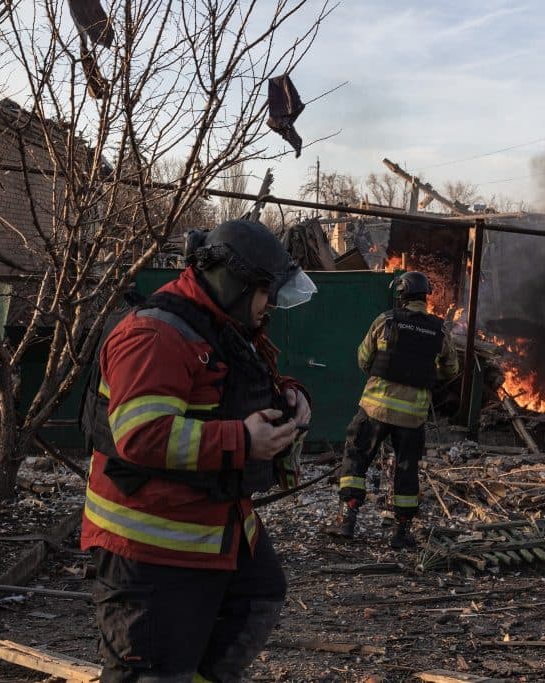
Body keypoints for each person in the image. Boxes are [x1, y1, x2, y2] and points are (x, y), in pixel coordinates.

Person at [80, 219, 316, 682]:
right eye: (265, 292)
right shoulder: (155, 336)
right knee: (154, 671)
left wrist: (290, 394)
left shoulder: (221, 323)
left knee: (257, 600)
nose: (270, 305)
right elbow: (142, 434)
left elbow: (232, 385)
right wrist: (243, 440)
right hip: (150, 545)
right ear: (234, 283)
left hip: (216, 524)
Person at [326, 271, 459, 549]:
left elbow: (364, 358)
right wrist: (424, 376)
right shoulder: (439, 331)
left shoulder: (386, 321)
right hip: (413, 416)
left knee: (356, 458)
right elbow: (451, 370)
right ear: (425, 297)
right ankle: (401, 532)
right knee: (406, 469)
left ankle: (347, 519)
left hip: (375, 408)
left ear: (401, 295)